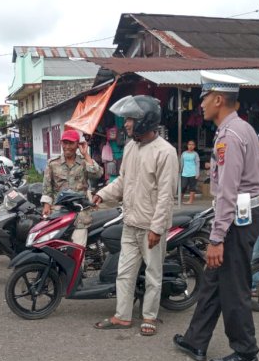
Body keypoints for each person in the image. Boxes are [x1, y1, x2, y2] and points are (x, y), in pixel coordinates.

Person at [173, 71, 259, 361]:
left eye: (203, 99)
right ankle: (195, 340)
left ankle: (246, 354)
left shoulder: (230, 136)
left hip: (238, 217)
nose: (199, 105)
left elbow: (228, 190)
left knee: (233, 287)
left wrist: (216, 238)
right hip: (243, 214)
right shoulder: (244, 128)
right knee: (213, 280)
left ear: (218, 99)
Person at [92, 95, 179, 336]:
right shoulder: (131, 147)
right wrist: (103, 194)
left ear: (144, 121)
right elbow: (123, 181)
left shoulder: (166, 152)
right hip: (130, 222)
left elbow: (166, 195)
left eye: (130, 119)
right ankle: (122, 316)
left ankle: (149, 316)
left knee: (153, 274)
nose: (126, 124)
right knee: (125, 272)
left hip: (151, 227)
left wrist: (157, 228)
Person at [41, 129, 102, 246]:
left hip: (80, 215)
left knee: (77, 250)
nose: (67, 146)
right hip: (59, 213)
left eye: (71, 143)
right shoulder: (52, 163)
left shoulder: (84, 162)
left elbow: (97, 174)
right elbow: (47, 188)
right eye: (65, 143)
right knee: (57, 248)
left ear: (77, 144)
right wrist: (46, 205)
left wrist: (86, 154)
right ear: (61, 143)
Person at [181, 139, 200, 204]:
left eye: (192, 145)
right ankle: (180, 199)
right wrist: (179, 171)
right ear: (187, 145)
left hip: (193, 173)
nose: (191, 146)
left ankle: (190, 201)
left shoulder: (195, 154)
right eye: (189, 144)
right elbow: (181, 163)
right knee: (183, 186)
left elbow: (197, 164)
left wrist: (197, 173)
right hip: (184, 173)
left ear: (194, 146)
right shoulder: (184, 153)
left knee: (192, 187)